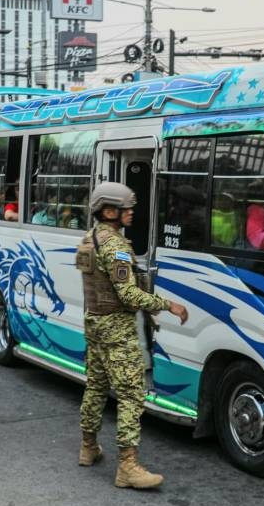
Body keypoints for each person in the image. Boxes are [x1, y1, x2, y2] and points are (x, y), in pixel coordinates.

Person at [75, 182, 189, 490]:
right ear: (110, 211)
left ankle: (88, 447)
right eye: (126, 209)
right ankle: (128, 465)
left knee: (96, 386)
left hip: (94, 322)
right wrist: (167, 305)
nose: (131, 213)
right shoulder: (116, 247)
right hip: (117, 329)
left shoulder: (89, 238)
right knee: (130, 394)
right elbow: (127, 294)